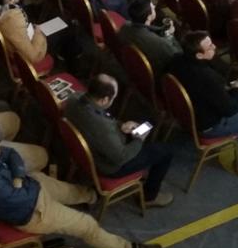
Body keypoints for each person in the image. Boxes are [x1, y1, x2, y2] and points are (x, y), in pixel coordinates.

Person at [0, 132, 162, 248]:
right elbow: (22, 198)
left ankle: (92, 197)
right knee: (86, 225)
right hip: (34, 212)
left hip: (30, 188)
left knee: (70, 190)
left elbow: (10, 154)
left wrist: (19, 177)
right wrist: (21, 179)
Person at [63, 74, 174, 206]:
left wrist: (119, 125)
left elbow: (102, 118)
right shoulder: (105, 129)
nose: (113, 101)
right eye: (113, 98)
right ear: (104, 100)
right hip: (108, 166)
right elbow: (121, 157)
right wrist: (139, 140)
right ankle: (149, 197)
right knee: (166, 151)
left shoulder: (74, 99)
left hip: (87, 149)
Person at [169, 31, 238, 175]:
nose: (215, 47)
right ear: (199, 55)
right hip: (210, 126)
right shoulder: (207, 78)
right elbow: (229, 110)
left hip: (187, 115)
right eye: (210, 47)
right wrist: (237, 91)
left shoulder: (177, 60)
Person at [119, 0, 181, 74]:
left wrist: (162, 30)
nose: (154, 6)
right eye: (152, 6)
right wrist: (170, 35)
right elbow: (177, 55)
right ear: (149, 17)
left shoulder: (124, 26)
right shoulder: (160, 43)